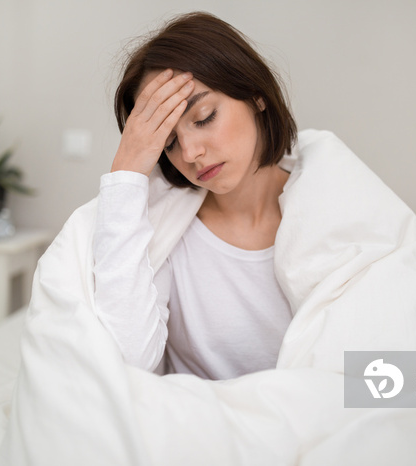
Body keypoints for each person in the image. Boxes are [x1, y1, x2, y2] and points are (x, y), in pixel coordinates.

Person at [93, 12, 301, 380]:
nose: (189, 153)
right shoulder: (169, 233)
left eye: (203, 117)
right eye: (168, 143)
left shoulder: (331, 209)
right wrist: (125, 171)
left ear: (256, 96)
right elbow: (127, 363)